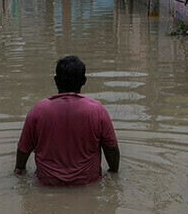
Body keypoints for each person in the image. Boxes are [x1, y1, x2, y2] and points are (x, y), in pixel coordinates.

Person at [14, 55, 120, 185]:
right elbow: (111, 149)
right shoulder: (97, 110)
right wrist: (113, 173)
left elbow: (23, 149)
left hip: (47, 184)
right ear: (84, 81)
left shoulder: (38, 110)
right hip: (87, 184)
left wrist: (20, 169)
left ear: (56, 80)